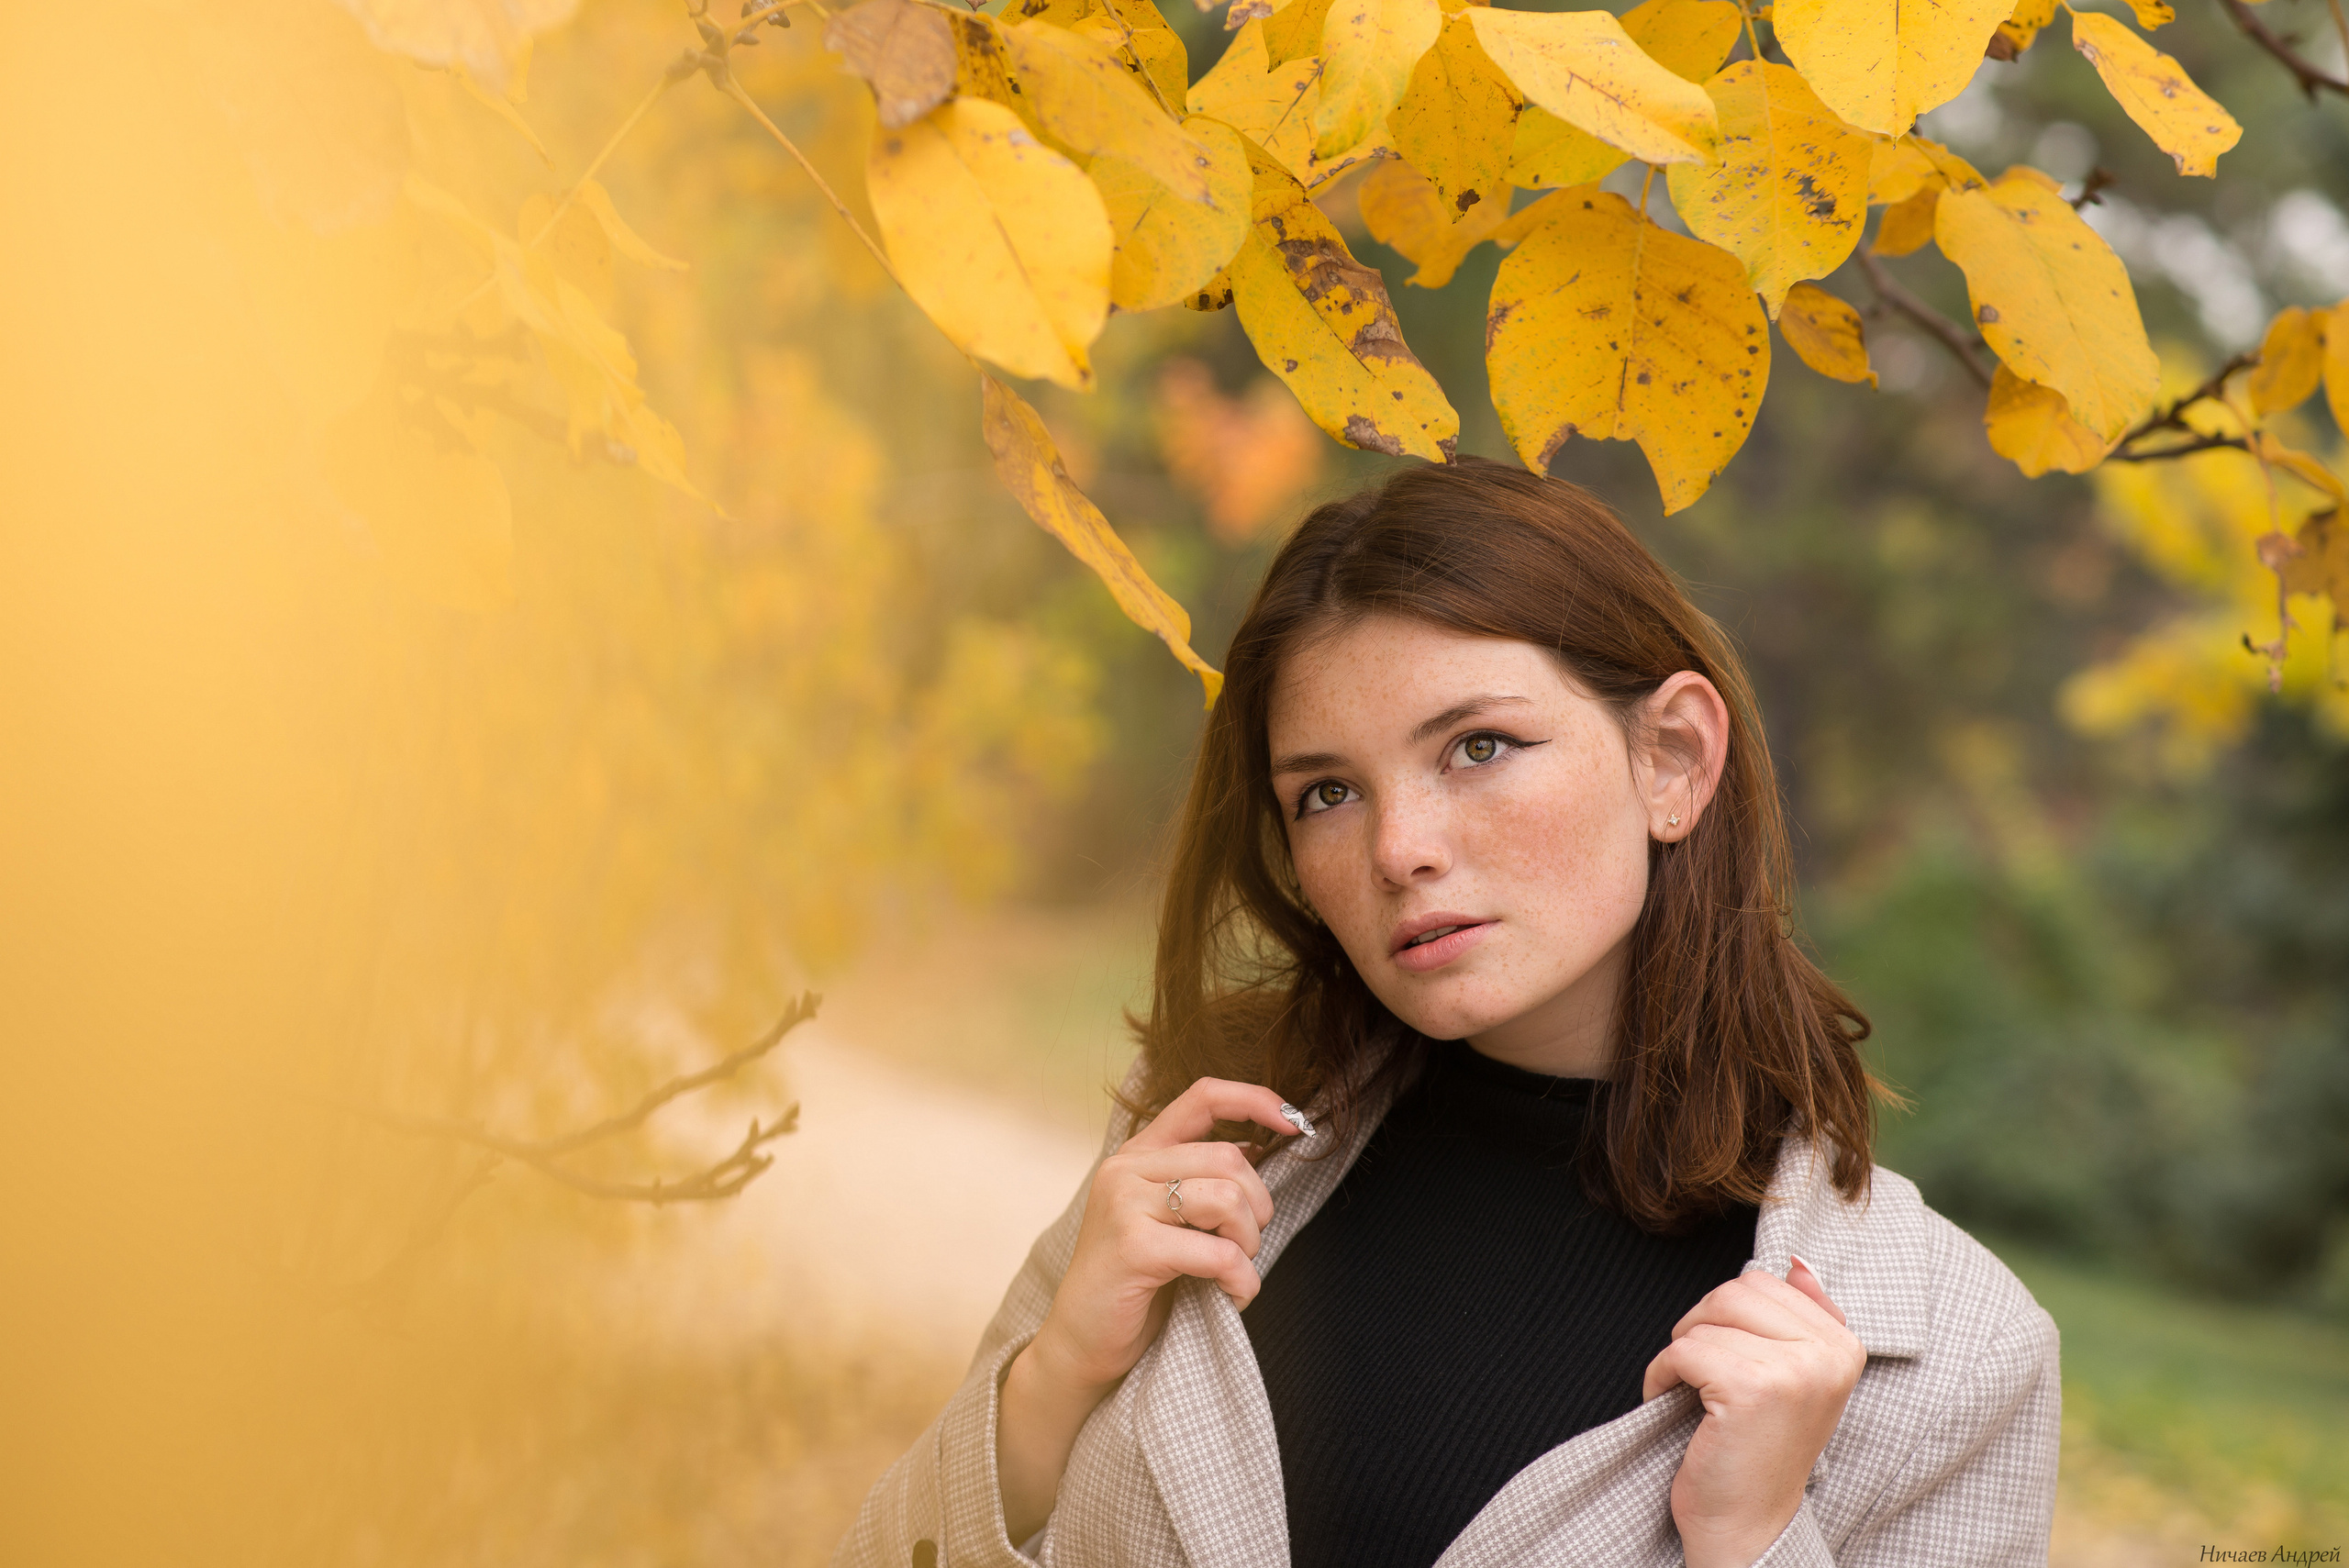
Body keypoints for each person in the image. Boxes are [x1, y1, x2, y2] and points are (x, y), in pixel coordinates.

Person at [835, 460, 2061, 1568]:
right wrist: (1047, 1390)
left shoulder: (1956, 1356)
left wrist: (1754, 1542)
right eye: (1326, 791)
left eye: (1477, 745)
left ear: (1675, 759)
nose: (1398, 849)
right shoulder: (1203, 1152)